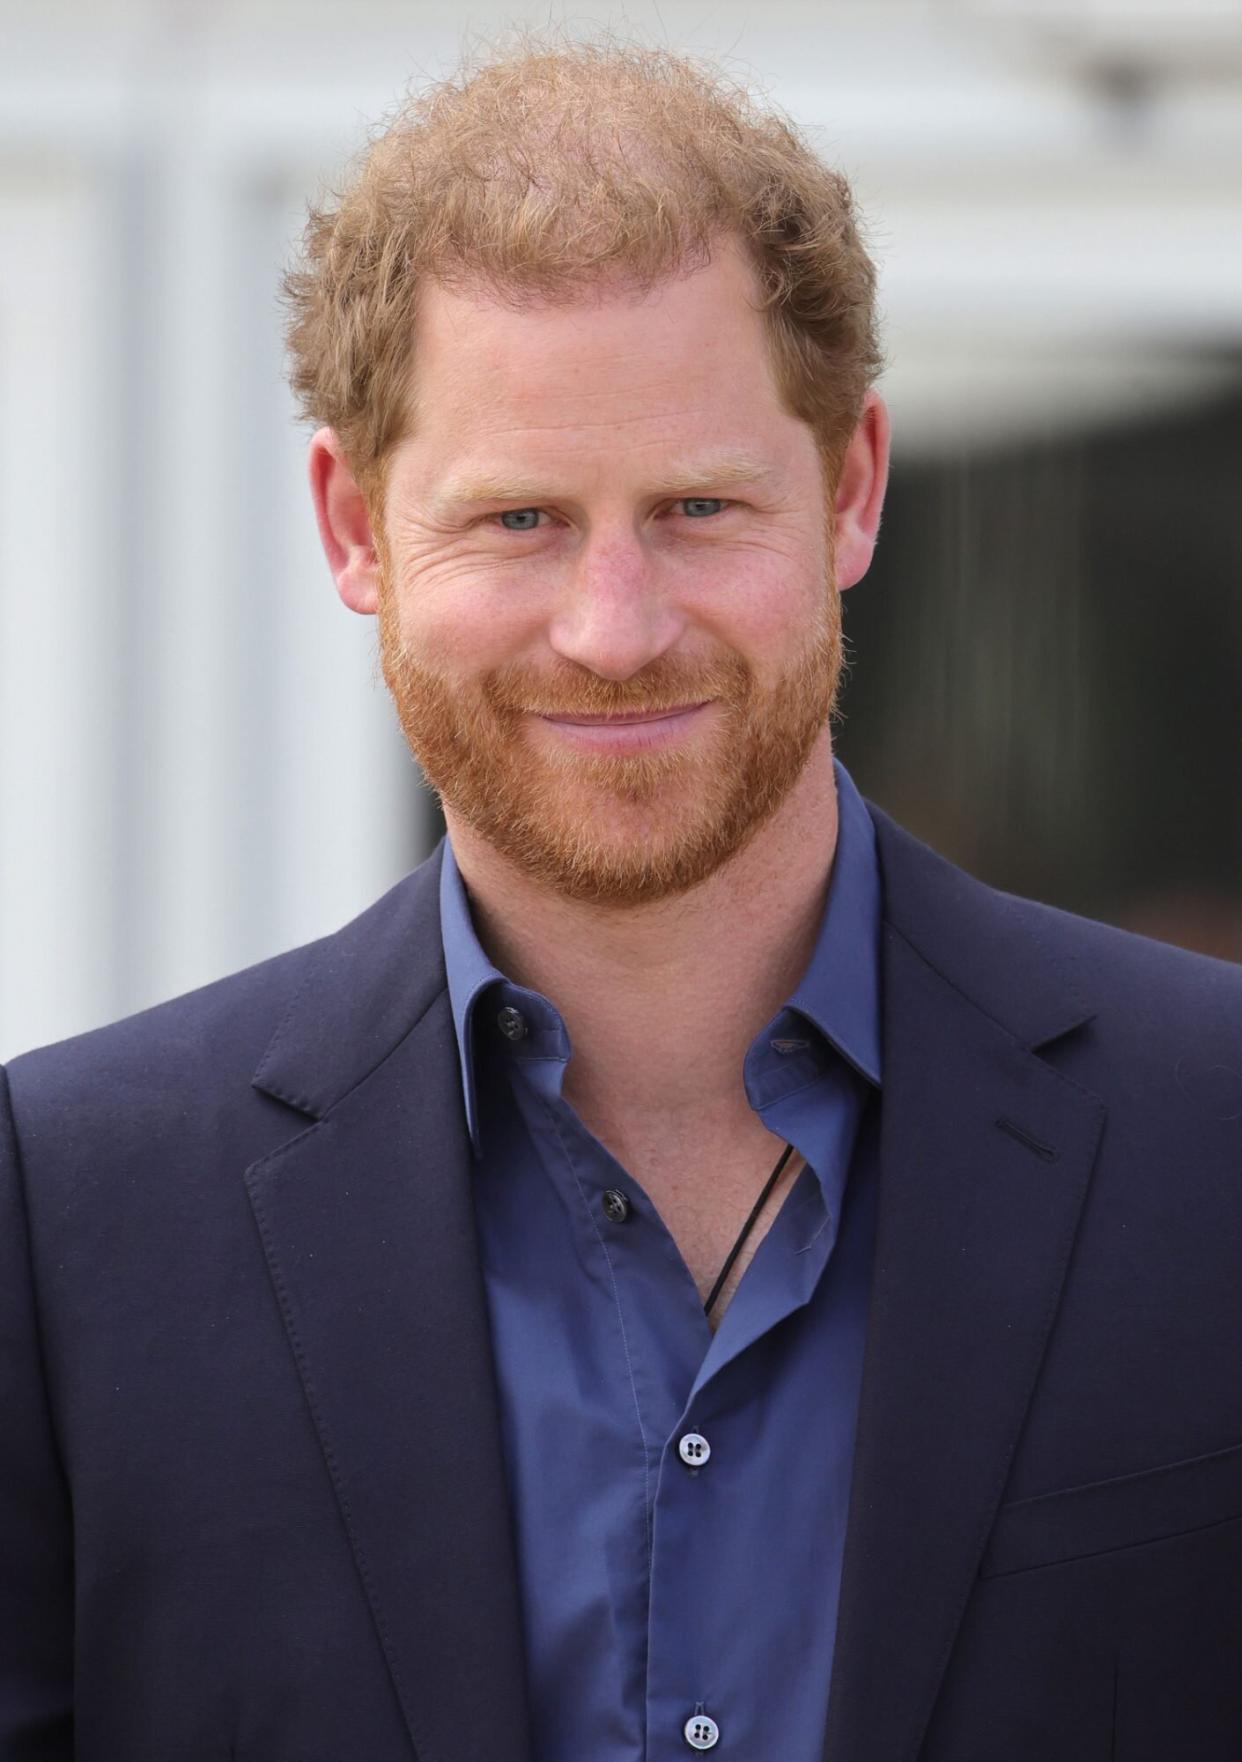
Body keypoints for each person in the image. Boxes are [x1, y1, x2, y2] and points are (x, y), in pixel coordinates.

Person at [3, 38, 1241, 1762]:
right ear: (353, 529)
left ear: (853, 489)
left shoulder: (1214, 1130)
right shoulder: (67, 1215)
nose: (611, 625)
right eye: (516, 518)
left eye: (695, 507)